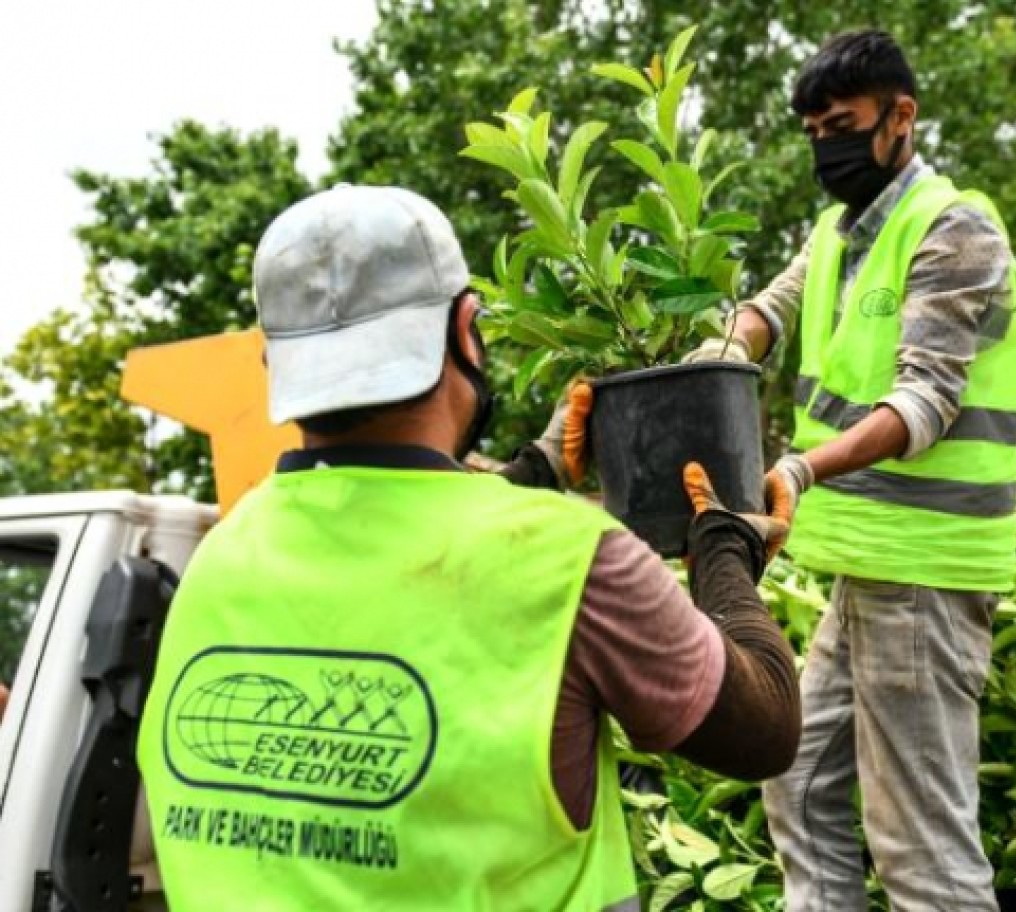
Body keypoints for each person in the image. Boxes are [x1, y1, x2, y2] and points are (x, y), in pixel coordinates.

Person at [136, 184, 800, 911]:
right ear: (465, 330)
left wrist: (533, 473)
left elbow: (399, 566)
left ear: (276, 366)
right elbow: (764, 729)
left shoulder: (219, 560)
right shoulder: (571, 565)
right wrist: (725, 547)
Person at [688, 29, 1016, 912]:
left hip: (925, 572)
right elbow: (765, 313)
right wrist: (701, 361)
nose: (828, 148)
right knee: (798, 780)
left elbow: (923, 402)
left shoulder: (955, 229)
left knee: (920, 848)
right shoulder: (838, 235)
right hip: (867, 569)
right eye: (813, 133)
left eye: (842, 124)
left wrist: (801, 469)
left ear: (902, 117)